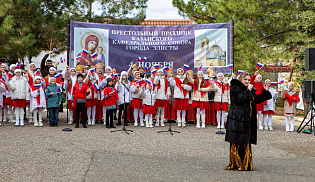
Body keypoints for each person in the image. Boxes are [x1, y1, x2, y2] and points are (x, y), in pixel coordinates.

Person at [225, 72, 271, 171]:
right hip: (237, 119)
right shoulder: (235, 88)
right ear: (240, 79)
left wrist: (265, 92)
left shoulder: (249, 89)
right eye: (245, 79)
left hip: (247, 120)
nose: (247, 81)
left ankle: (246, 163)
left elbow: (256, 99)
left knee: (246, 141)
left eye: (248, 80)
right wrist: (247, 90)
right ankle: (237, 163)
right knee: (238, 141)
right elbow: (238, 99)